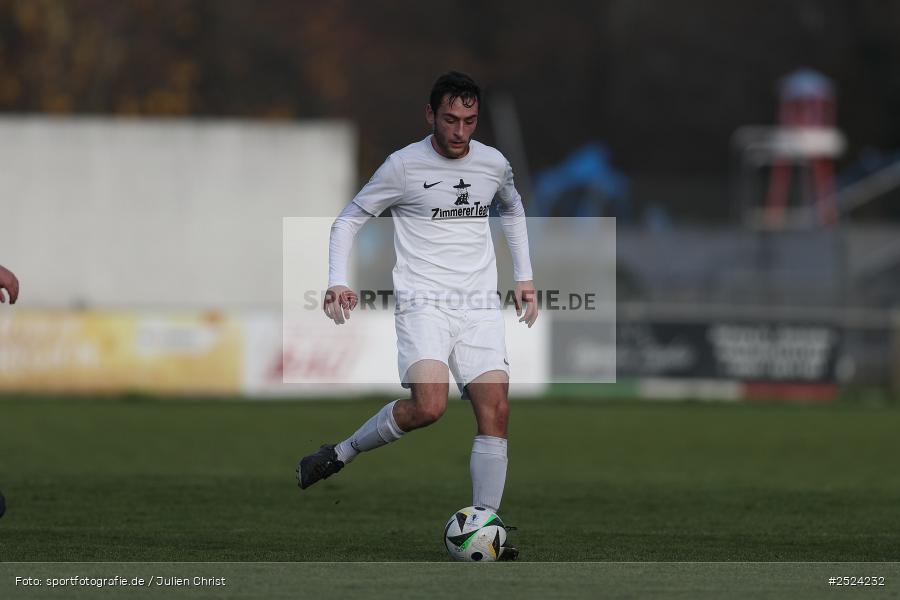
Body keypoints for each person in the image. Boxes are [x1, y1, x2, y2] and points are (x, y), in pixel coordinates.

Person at [296, 72, 537, 560]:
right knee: (430, 406)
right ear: (431, 115)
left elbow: (511, 209)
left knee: (497, 412)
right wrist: (336, 280)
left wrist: (525, 277)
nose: (460, 131)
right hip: (423, 303)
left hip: (478, 307)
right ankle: (341, 452)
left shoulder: (494, 164)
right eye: (450, 119)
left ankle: (486, 526)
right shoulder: (402, 167)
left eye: (469, 120)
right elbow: (349, 220)